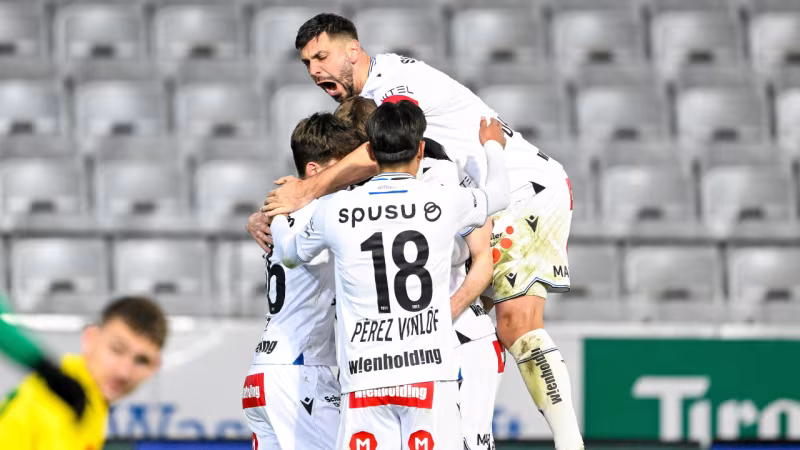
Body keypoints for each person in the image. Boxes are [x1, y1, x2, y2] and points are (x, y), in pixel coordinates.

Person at [256, 13, 584, 450]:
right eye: (307, 63)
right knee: (471, 322)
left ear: (353, 50)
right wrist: (273, 213)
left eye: (322, 57)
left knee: (515, 322)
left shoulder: (393, 86)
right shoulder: (373, 106)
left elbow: (373, 155)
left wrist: (305, 192)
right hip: (480, 194)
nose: (315, 70)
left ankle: (570, 443)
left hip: (522, 188)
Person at [272, 101, 509, 450]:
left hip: (364, 379)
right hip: (428, 375)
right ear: (420, 150)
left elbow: (289, 254)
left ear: (369, 151)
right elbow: (500, 195)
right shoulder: (444, 201)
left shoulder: (335, 208)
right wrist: (493, 146)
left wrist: (277, 213)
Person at [242, 113, 362, 450]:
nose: (348, 177)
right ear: (314, 170)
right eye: (341, 167)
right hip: (300, 371)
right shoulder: (326, 213)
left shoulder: (281, 216)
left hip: (263, 373)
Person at [0, 296, 167, 450]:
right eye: (116, 349)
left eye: (142, 360)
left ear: (154, 367)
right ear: (90, 339)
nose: (124, 372)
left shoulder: (93, 402)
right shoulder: (53, 401)